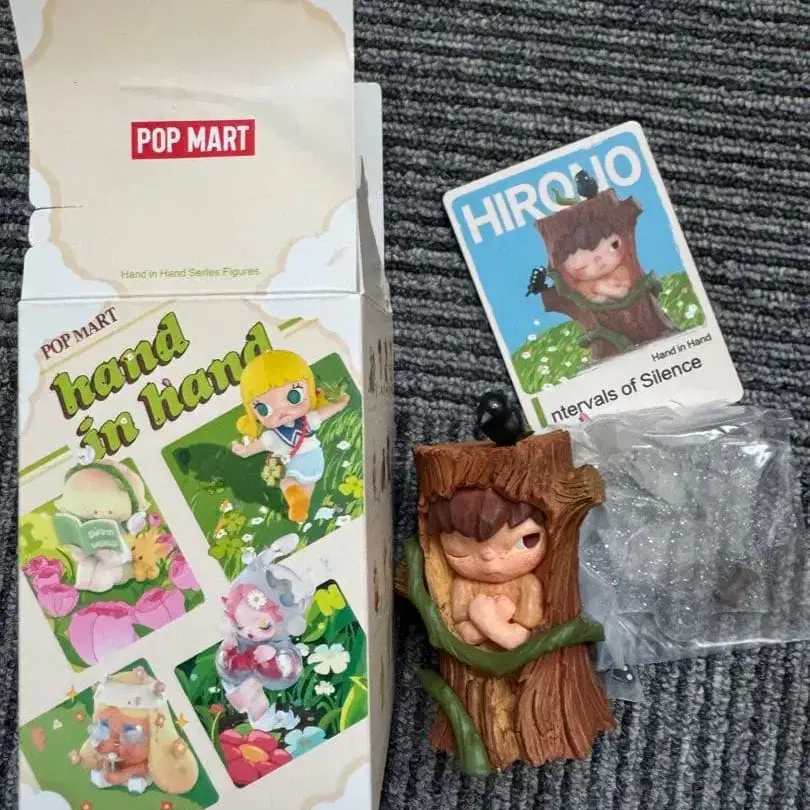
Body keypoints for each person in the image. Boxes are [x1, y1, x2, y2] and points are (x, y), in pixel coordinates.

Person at [231, 350, 349, 522]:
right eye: (264, 409)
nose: (281, 411)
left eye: (294, 396)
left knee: (286, 481)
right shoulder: (309, 420)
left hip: (293, 463)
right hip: (315, 458)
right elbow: (325, 413)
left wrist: (244, 450)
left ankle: (297, 500)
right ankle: (301, 506)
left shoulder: (273, 436)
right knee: (309, 483)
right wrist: (340, 405)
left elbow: (256, 447)